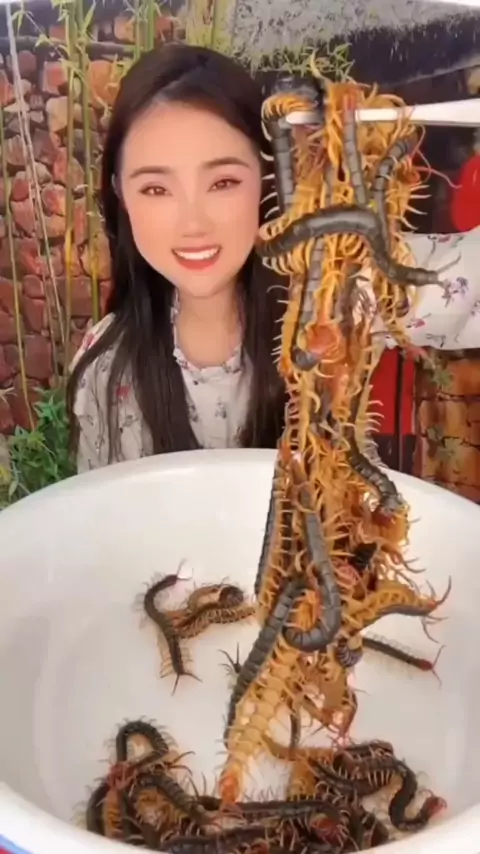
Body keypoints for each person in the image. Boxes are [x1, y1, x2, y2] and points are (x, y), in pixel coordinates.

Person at [66, 43, 286, 473]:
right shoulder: (107, 369)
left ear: (266, 178)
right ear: (121, 193)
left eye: (223, 182)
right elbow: (100, 509)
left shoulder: (329, 319)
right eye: (156, 189)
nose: (193, 223)